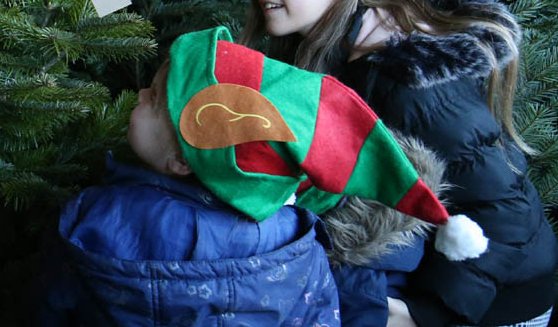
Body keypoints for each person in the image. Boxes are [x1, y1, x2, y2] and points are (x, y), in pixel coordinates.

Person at [39, 26, 485, 326]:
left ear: (182, 160)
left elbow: (49, 304)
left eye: (154, 99)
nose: (139, 94)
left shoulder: (99, 216)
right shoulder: (300, 238)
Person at [246, 0, 557, 327]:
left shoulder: (411, 82)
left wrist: (429, 314)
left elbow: (505, 208)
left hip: (500, 304)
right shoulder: (333, 60)